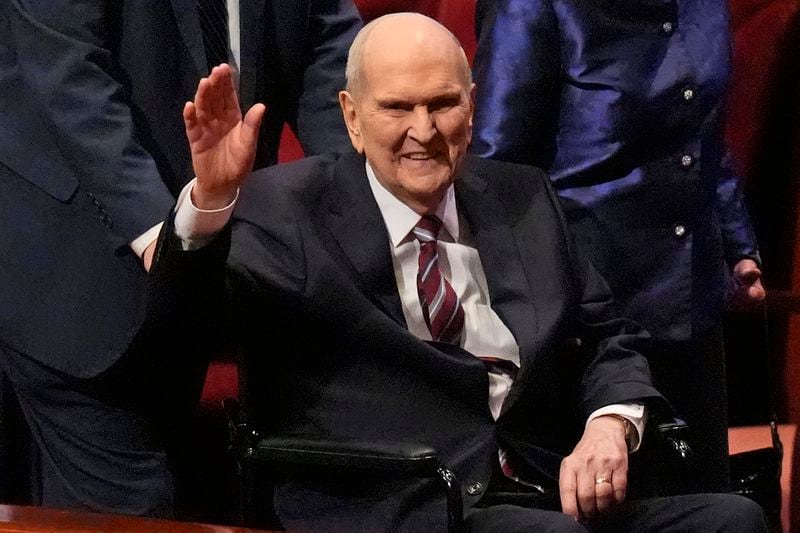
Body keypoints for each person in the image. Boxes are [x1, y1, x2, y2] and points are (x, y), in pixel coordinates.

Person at [150, 13, 768, 531]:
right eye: (397, 107)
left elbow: (605, 334)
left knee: (732, 520)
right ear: (352, 117)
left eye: (443, 104)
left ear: (471, 109)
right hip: (396, 499)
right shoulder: (290, 208)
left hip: (540, 482)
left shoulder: (523, 197)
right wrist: (209, 205)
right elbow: (190, 326)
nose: (424, 131)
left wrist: (611, 425)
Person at [0, 0, 360, 517]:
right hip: (75, 262)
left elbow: (330, 52)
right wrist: (166, 243)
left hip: (211, 243)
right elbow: (74, 85)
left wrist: (362, 207)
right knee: (127, 505)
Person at [471, 0, 765, 494]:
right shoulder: (533, 7)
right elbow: (498, 168)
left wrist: (739, 245)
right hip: (587, 313)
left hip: (692, 295)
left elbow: (704, 131)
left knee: (705, 505)